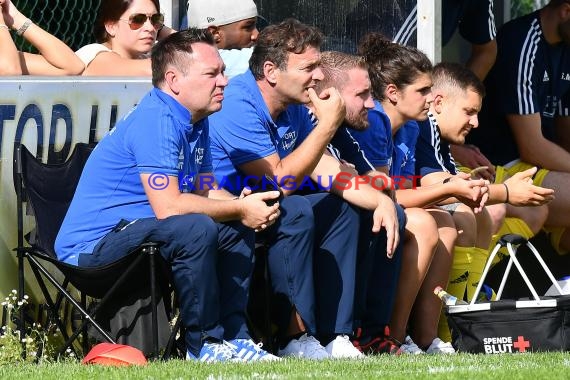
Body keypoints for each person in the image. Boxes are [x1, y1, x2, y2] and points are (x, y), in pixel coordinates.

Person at [55, 29, 282, 362]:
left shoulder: (198, 118)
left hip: (140, 235)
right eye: (212, 74)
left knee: (234, 225)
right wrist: (237, 207)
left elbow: (204, 190)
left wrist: (244, 206)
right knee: (196, 227)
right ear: (174, 80)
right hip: (91, 253)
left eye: (222, 71)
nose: (224, 81)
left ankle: (234, 340)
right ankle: (202, 346)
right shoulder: (157, 120)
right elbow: (171, 206)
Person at [208, 18, 401, 359]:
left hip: (269, 208)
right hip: (225, 210)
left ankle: (337, 335)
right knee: (296, 208)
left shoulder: (293, 106)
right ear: (271, 71)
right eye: (309, 67)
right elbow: (282, 180)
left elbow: (326, 169)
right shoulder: (239, 102)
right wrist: (327, 125)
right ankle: (293, 338)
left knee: (349, 207)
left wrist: (380, 202)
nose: (318, 75)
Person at [351, 34, 487, 354]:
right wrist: (460, 189)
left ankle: (425, 338)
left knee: (443, 221)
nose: (430, 98)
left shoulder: (411, 126)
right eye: (423, 90)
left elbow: (407, 189)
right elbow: (384, 194)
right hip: (358, 208)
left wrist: (456, 189)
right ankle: (391, 336)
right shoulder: (373, 123)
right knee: (427, 223)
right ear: (393, 93)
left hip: (389, 206)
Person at [414, 61, 554, 340]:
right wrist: (504, 191)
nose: (476, 122)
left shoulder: (437, 132)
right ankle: (444, 333)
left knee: (477, 213)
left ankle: (468, 309)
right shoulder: (421, 125)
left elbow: (444, 182)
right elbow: (436, 185)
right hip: (397, 209)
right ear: (438, 102)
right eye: (469, 112)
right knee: (465, 214)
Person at [467, 0, 570, 256]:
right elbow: (531, 147)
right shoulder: (523, 40)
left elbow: (565, 130)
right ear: (566, 11)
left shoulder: (566, 47)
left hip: (543, 164)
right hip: (501, 162)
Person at [76, 0, 174, 76]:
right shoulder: (92, 54)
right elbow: (152, 70)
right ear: (111, 26)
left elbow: (188, 47)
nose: (150, 28)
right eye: (138, 19)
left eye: (155, 19)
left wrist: (159, 28)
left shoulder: (145, 57)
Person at [0, 0, 84, 75]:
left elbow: (73, 67)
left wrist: (16, 18)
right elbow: (10, 71)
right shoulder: (8, 63)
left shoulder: (7, 58)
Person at [186, 0, 258, 79]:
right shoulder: (213, 63)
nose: (256, 35)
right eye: (248, 27)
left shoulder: (182, 59)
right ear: (214, 34)